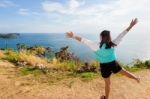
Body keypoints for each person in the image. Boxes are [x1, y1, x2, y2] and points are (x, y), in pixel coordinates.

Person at [65, 18, 140, 99]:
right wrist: (130, 26)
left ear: (101, 37)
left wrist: (73, 36)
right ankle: (136, 78)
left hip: (104, 66)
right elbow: (122, 34)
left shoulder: (96, 45)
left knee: (107, 84)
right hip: (113, 63)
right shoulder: (113, 44)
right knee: (125, 72)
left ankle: (106, 98)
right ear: (109, 37)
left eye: (100, 36)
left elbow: (84, 40)